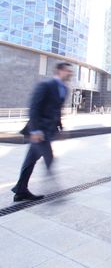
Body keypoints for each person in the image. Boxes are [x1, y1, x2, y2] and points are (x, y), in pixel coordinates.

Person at [12, 62, 73, 202]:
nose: (70, 73)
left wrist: (60, 128)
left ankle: (20, 191)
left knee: (30, 161)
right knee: (49, 157)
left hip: (47, 130)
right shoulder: (45, 85)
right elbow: (34, 108)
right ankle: (55, 192)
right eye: (67, 71)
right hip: (38, 131)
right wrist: (35, 130)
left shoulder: (64, 88)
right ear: (59, 71)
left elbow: (57, 110)